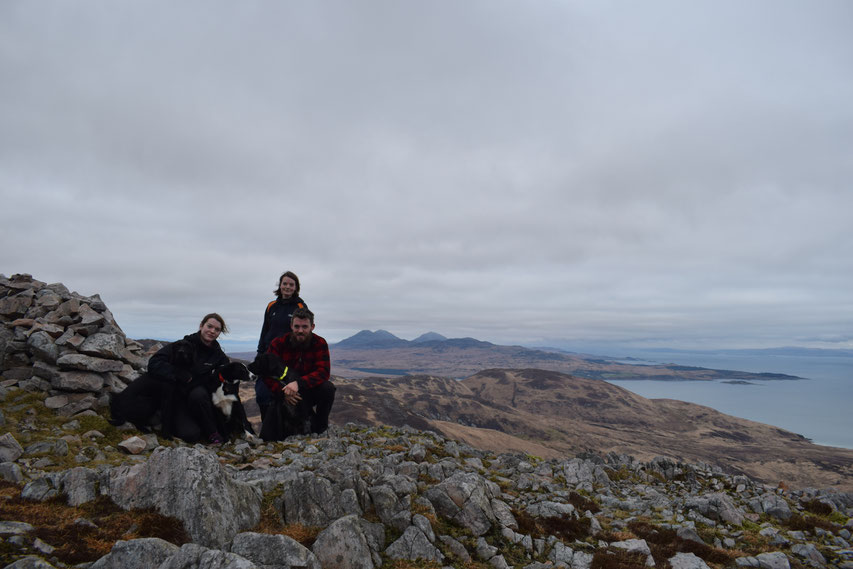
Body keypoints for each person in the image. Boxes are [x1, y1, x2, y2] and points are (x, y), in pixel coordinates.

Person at [110, 313, 231, 444]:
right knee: (190, 435)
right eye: (209, 326)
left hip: (198, 399)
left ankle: (212, 431)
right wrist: (178, 374)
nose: (212, 331)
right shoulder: (182, 345)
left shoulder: (218, 356)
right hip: (176, 400)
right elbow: (154, 363)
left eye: (217, 329)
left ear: (220, 333)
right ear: (201, 326)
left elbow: (228, 378)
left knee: (199, 394)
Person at [263, 306, 335, 434]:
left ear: (312, 327)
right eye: (297, 326)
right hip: (284, 393)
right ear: (291, 326)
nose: (300, 330)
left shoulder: (319, 343)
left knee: (327, 388)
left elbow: (323, 372)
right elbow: (267, 373)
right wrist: (283, 393)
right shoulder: (278, 344)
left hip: (308, 390)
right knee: (270, 434)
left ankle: (321, 429)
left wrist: (298, 383)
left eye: (304, 327)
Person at [255, 271, 307, 420]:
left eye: (291, 284)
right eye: (285, 284)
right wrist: (260, 352)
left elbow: (303, 331)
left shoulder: (300, 306)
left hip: (287, 358)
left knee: (285, 392)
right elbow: (265, 329)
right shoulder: (271, 305)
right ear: (280, 285)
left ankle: (286, 429)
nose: (288, 287)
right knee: (262, 392)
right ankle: (267, 427)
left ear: (296, 287)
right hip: (267, 355)